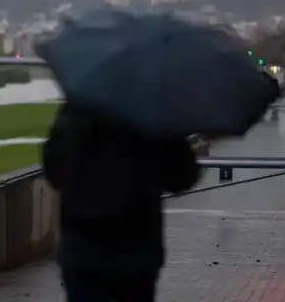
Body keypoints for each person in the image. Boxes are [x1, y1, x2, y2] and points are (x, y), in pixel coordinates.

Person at [42, 102, 202, 302]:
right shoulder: (153, 112)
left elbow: (53, 170)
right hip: (136, 249)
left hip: (82, 247)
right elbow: (182, 177)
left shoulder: (76, 109)